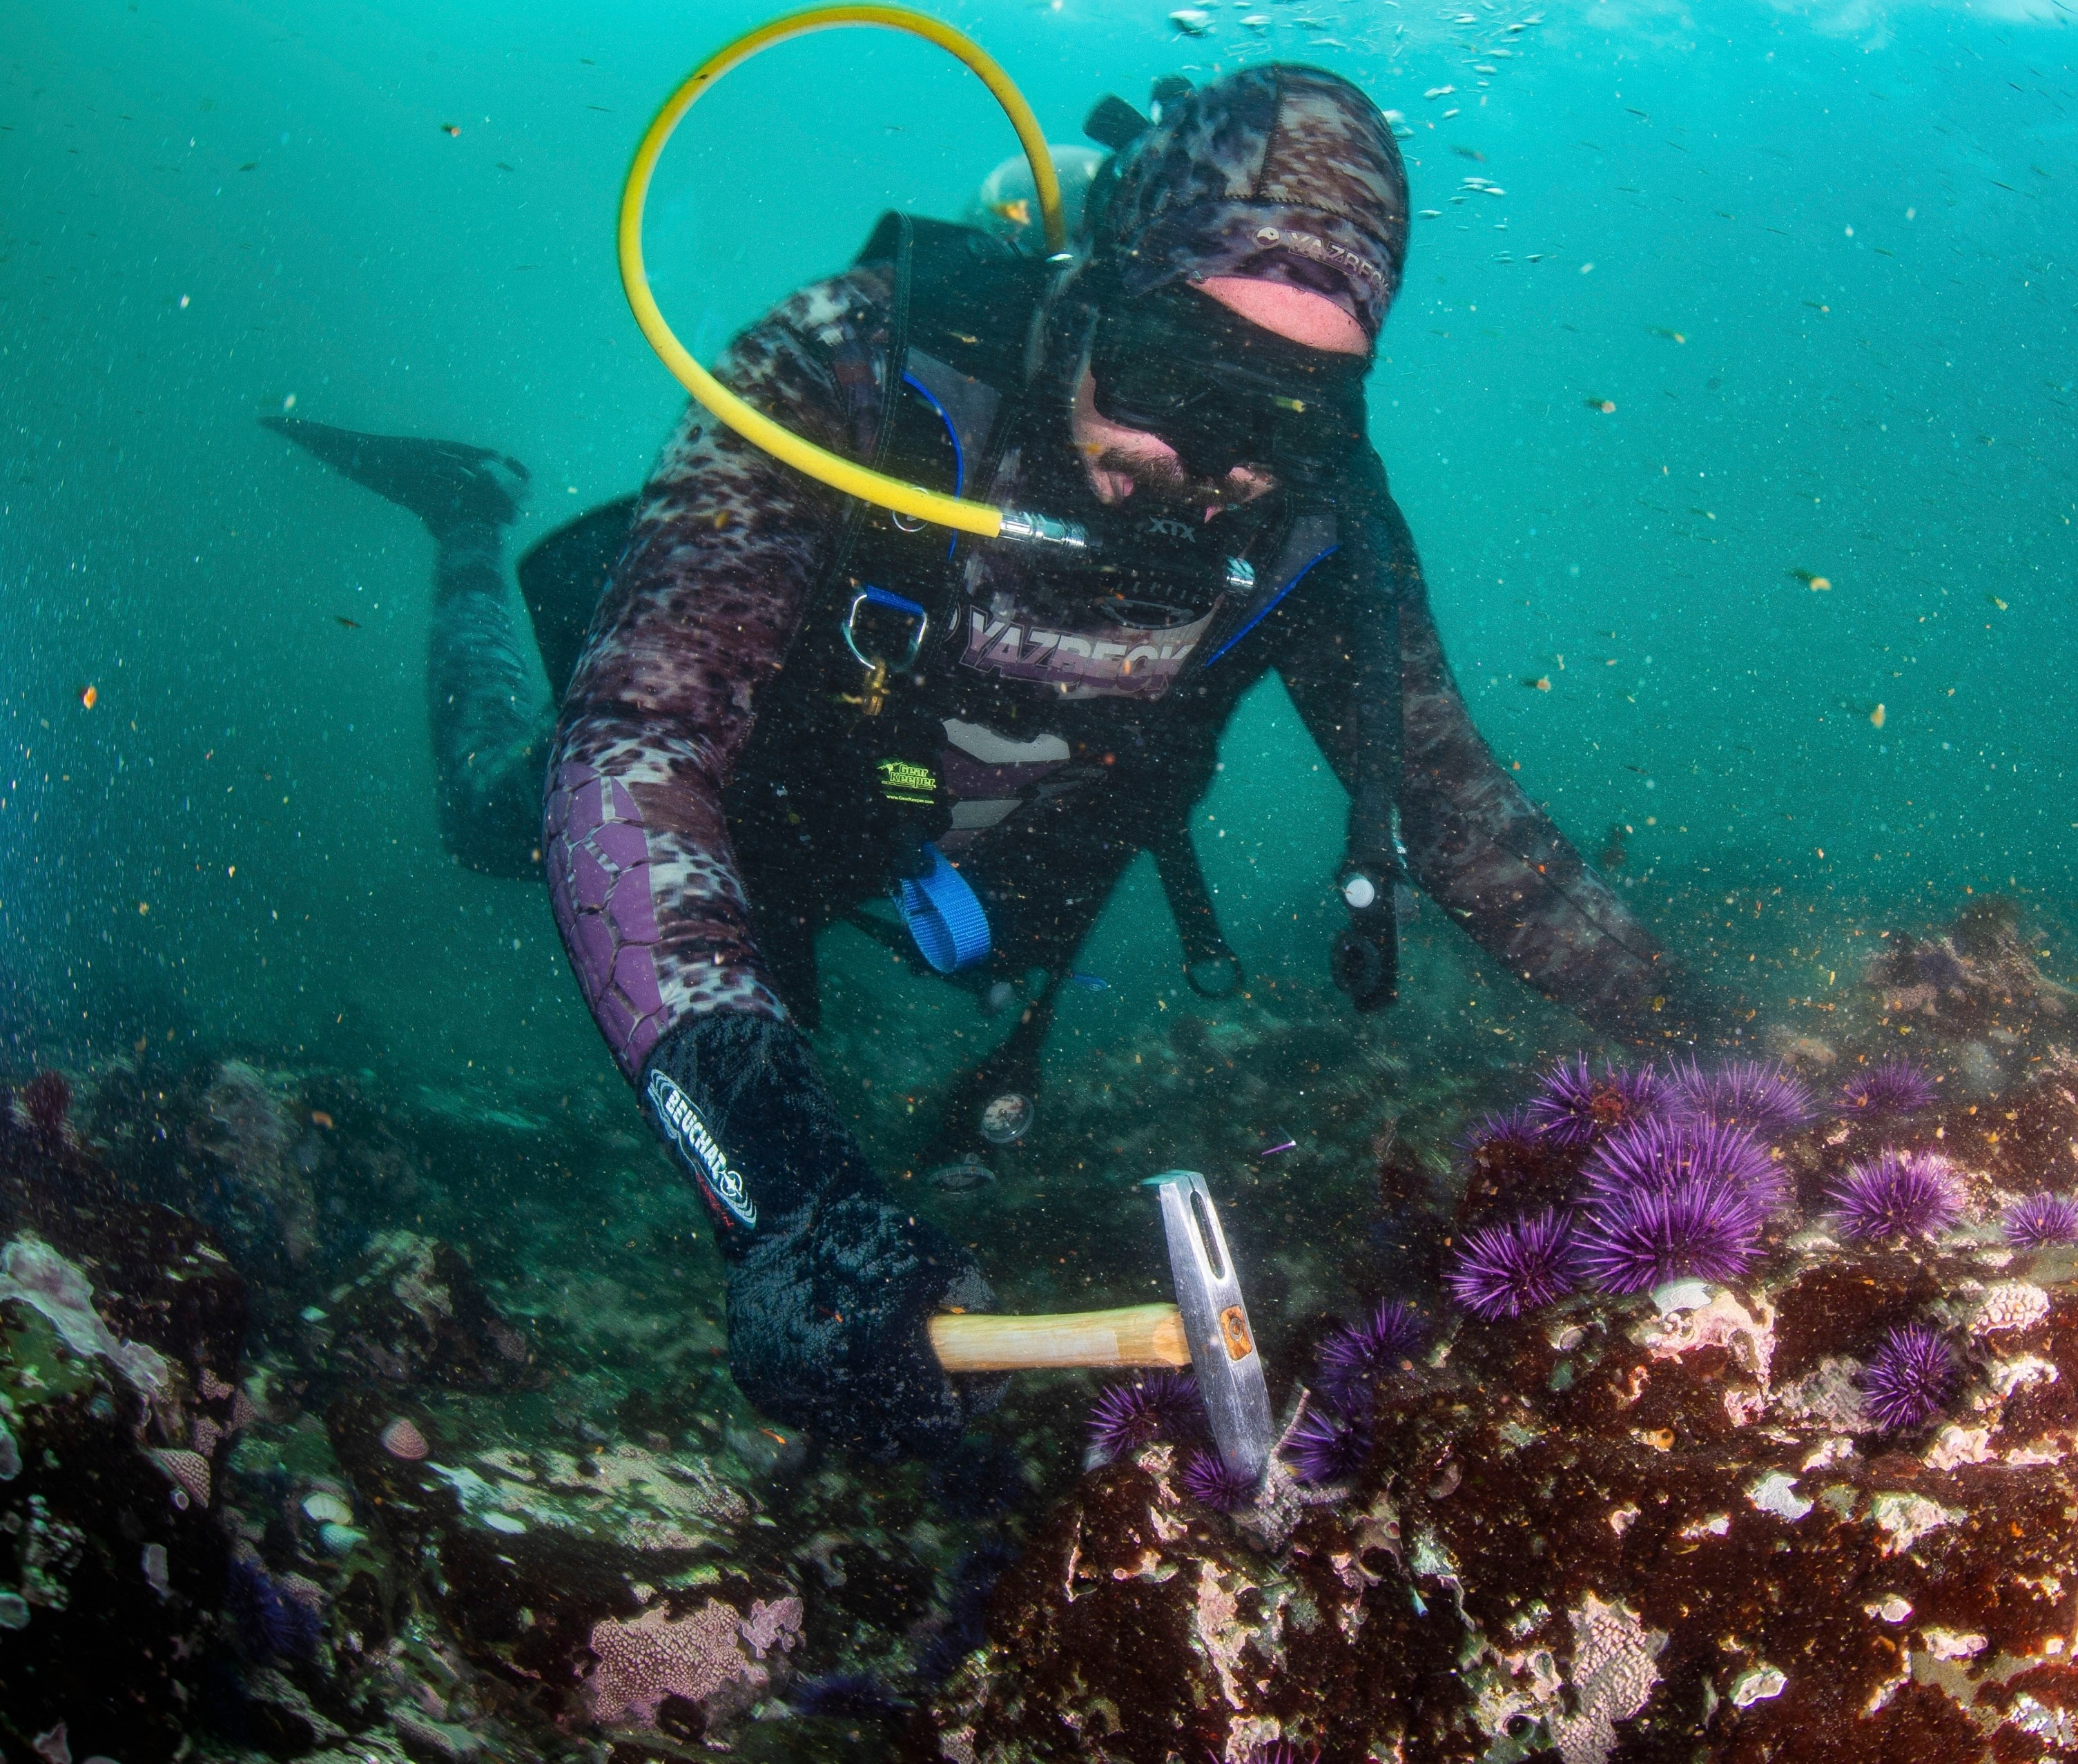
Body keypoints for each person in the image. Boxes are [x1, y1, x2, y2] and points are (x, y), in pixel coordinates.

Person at [271, 66, 1739, 1464]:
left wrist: (1709, 1036)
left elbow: (1462, 813)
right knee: (491, 811)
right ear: (1095, 291)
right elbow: (637, 750)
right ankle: (470, 520)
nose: (1214, 462)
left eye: (1291, 416)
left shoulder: (1320, 527)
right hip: (743, 809)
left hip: (958, 880)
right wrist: (782, 1188)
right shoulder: (853, 367)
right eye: (1181, 375)